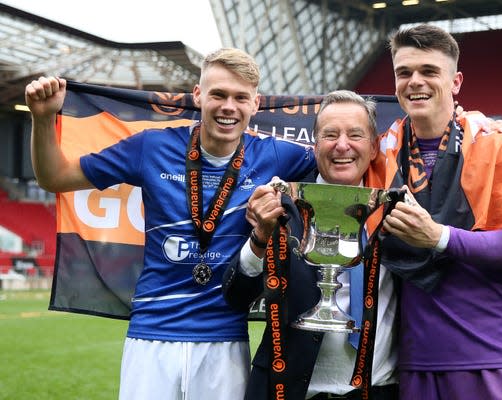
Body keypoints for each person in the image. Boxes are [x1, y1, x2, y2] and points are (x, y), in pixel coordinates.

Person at [25, 48, 316, 400]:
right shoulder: (152, 146)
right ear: (198, 96)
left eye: (240, 97)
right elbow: (55, 177)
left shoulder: (275, 155)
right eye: (218, 94)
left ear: (255, 104)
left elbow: (343, 165)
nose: (229, 107)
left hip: (224, 339)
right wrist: (42, 119)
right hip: (151, 338)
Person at [370, 23, 502, 400]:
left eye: (429, 71)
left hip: (492, 357)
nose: (415, 82)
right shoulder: (379, 155)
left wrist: (438, 237)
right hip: (414, 363)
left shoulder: (496, 145)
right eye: (404, 72)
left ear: (455, 81)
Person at [223, 90, 400, 400]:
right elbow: (236, 296)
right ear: (315, 145)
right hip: (289, 391)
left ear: (373, 148)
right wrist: (260, 239)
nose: (342, 145)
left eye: (354, 134)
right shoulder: (281, 205)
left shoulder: (394, 208)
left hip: (379, 391)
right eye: (330, 134)